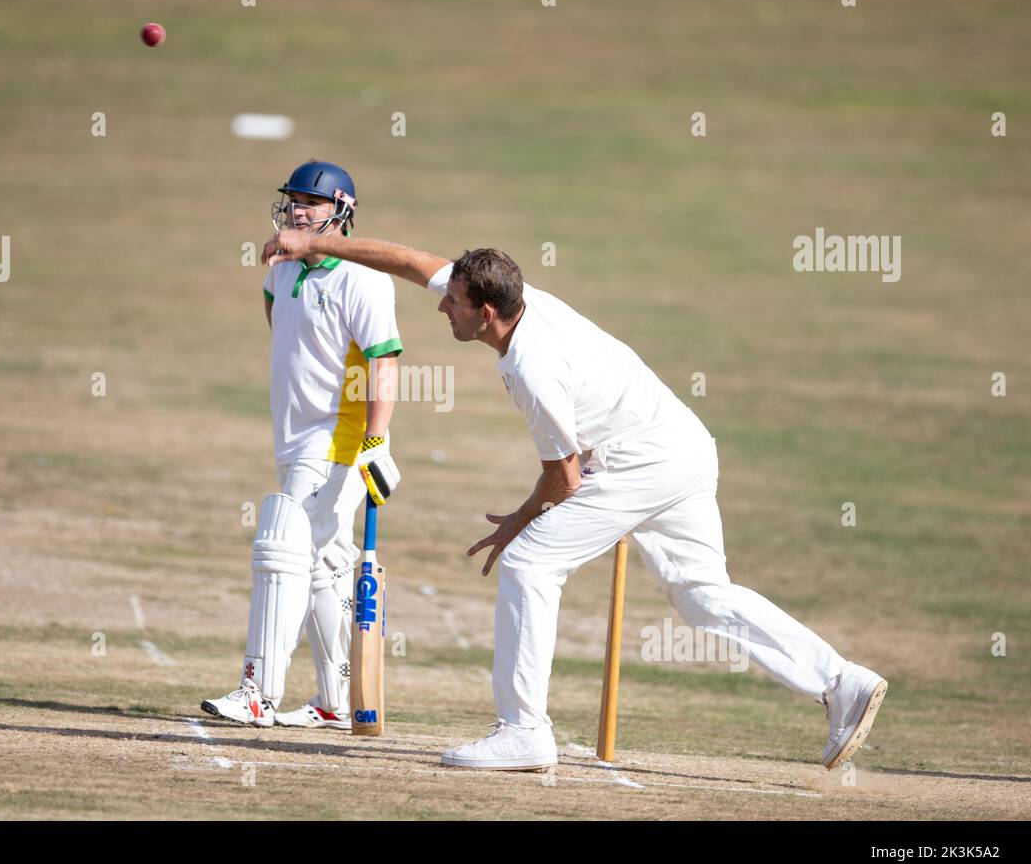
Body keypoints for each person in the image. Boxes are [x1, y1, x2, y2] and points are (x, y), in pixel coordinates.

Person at [262, 228, 888, 770]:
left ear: (485, 311)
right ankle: (842, 681)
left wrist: (515, 524)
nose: (441, 308)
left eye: (453, 302)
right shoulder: (509, 301)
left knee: (531, 563)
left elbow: (565, 479)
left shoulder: (534, 368)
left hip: (645, 459)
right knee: (702, 596)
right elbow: (408, 260)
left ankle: (524, 731)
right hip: (683, 446)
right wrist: (313, 243)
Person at [201, 161, 402, 730]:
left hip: (335, 439)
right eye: (292, 200)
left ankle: (258, 691)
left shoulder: (365, 280)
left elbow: (384, 359)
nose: (296, 210)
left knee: (282, 548)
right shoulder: (282, 270)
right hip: (291, 436)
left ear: (340, 210)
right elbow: (277, 316)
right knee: (323, 569)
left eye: (309, 203)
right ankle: (338, 703)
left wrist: (376, 439)